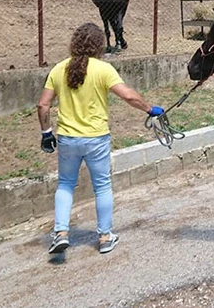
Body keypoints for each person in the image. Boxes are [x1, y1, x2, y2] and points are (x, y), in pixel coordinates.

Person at [37, 22, 164, 255]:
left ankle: (61, 233)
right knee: (102, 186)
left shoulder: (58, 69)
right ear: (99, 45)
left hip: (67, 138)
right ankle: (105, 237)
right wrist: (149, 109)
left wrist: (46, 133)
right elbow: (128, 96)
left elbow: (43, 104)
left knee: (65, 184)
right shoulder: (103, 69)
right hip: (96, 138)